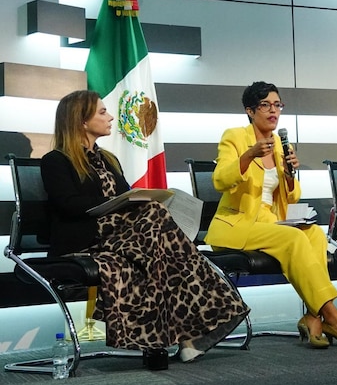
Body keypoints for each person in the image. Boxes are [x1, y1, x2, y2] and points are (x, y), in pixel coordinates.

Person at [41, 90, 250, 368]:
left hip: (124, 239)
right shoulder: (56, 160)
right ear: (80, 121)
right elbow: (68, 205)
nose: (110, 117)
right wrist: (117, 203)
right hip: (85, 240)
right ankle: (196, 331)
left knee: (157, 234)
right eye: (102, 112)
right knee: (159, 227)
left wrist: (138, 198)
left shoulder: (109, 160)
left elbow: (127, 197)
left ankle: (179, 341)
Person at [206, 81, 337, 349]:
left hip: (271, 223)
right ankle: (332, 315)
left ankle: (312, 316)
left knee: (316, 236)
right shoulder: (235, 137)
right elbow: (219, 180)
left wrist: (289, 174)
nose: (273, 111)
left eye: (277, 105)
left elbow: (291, 197)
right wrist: (248, 155)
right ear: (250, 111)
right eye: (265, 105)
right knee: (294, 239)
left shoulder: (281, 145)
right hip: (237, 225)